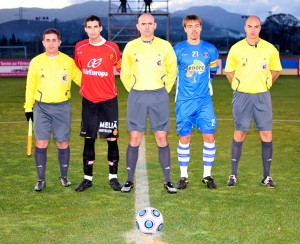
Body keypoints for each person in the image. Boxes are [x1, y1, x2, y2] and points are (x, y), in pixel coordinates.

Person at [120, 13, 178, 194]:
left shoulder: (165, 46)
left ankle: (168, 181)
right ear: (138, 26)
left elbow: (172, 70)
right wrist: (135, 89)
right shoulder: (131, 46)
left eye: (149, 24)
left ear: (155, 25)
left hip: (158, 95)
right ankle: (129, 180)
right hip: (137, 95)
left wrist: (163, 90)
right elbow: (125, 72)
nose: (146, 27)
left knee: (162, 138)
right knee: (134, 138)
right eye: (143, 24)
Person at [225, 15, 282, 188]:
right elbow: (229, 72)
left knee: (266, 134)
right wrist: (239, 86)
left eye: (256, 26)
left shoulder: (270, 49)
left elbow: (276, 70)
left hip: (262, 96)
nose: (252, 30)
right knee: (239, 133)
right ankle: (233, 175)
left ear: (260, 28)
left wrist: (265, 84)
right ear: (245, 28)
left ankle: (267, 176)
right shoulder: (236, 49)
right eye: (250, 26)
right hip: (242, 96)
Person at [24, 28, 82, 191]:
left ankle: (64, 176)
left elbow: (81, 79)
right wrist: (28, 107)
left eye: (54, 40)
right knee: (41, 142)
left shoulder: (67, 61)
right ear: (43, 42)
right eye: (47, 40)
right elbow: (30, 86)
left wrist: (98, 80)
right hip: (41, 107)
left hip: (62, 107)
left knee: (62, 142)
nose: (51, 43)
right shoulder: (36, 62)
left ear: (59, 42)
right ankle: (41, 179)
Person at [74, 15, 122, 192]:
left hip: (109, 99)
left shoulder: (112, 47)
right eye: (89, 27)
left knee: (111, 138)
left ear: (101, 28)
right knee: (89, 138)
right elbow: (80, 67)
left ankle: (113, 178)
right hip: (89, 99)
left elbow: (120, 67)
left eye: (95, 27)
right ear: (85, 29)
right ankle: (87, 179)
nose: (92, 30)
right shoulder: (80, 47)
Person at [173, 15, 219, 190]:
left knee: (209, 136)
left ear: (201, 28)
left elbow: (213, 72)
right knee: (185, 137)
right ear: (185, 29)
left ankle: (207, 175)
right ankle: (183, 176)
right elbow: (172, 74)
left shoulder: (210, 49)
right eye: (190, 26)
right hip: (184, 102)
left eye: (197, 26)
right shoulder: (177, 50)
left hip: (204, 101)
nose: (193, 29)